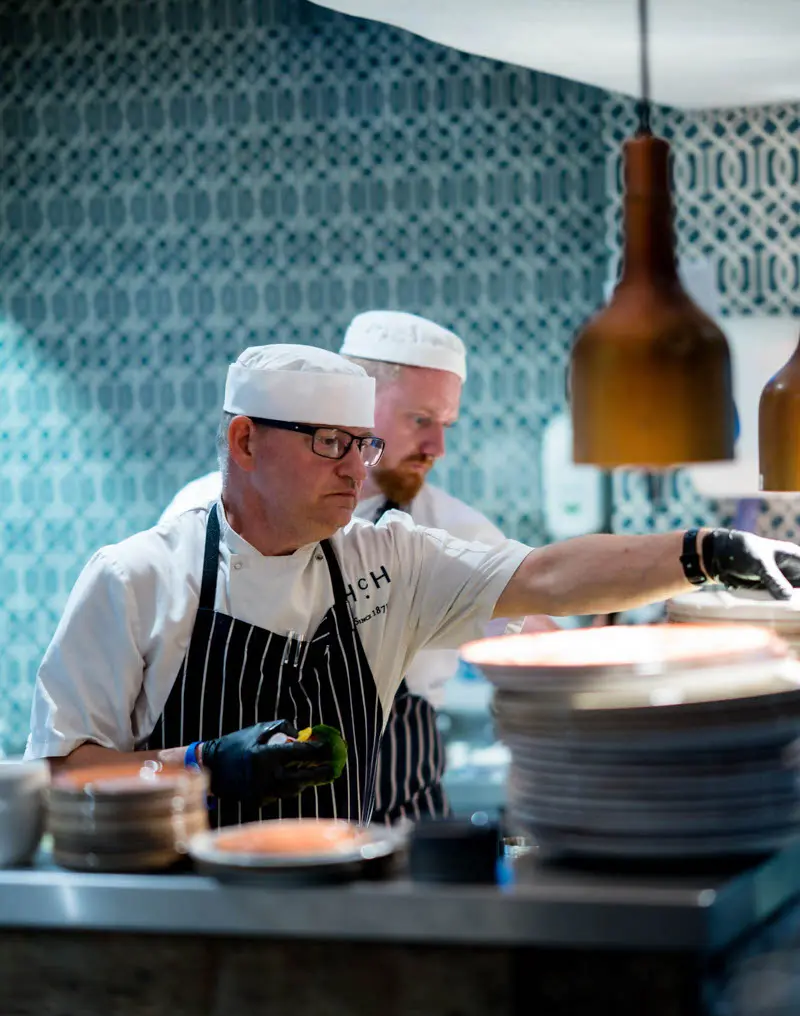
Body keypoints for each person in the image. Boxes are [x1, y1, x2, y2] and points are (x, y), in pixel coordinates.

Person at [26, 343, 800, 829]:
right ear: (244, 441)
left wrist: (705, 549)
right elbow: (60, 769)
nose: (354, 469)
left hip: (342, 907)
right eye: (330, 444)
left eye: (361, 446)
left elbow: (549, 574)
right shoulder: (134, 578)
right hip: (179, 918)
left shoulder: (385, 560)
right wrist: (199, 763)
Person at [159, 312, 558, 822]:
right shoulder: (200, 517)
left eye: (445, 425)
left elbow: (536, 630)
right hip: (240, 828)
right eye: (421, 420)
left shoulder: (452, 528)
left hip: (397, 821)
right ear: (359, 402)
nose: (438, 447)